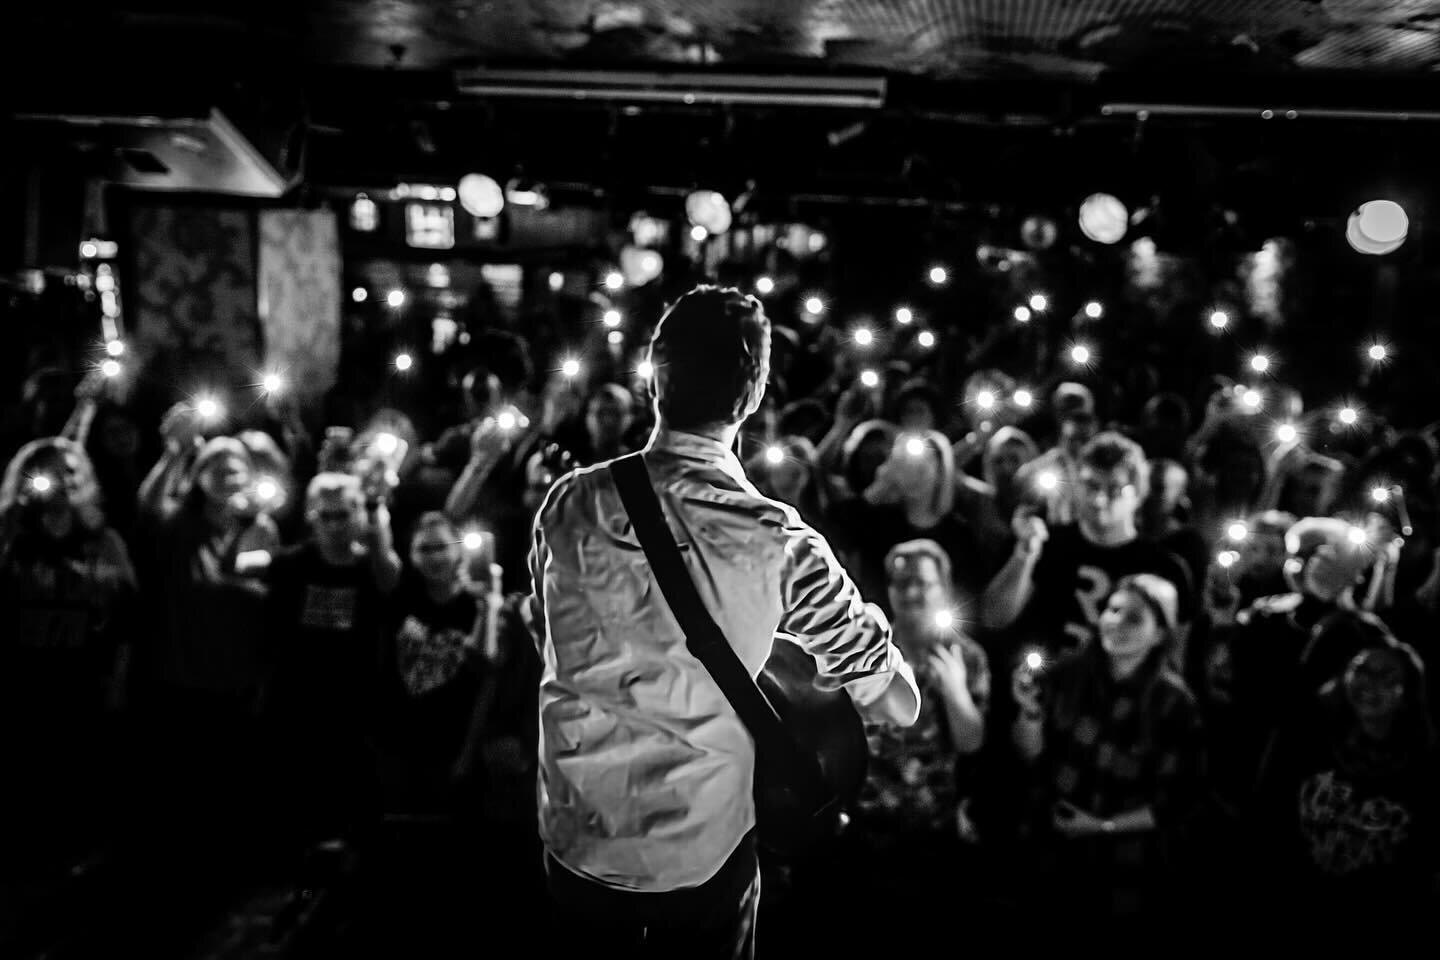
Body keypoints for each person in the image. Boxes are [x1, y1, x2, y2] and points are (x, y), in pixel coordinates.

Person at [527, 285, 920, 958]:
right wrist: (874, 628)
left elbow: (548, 637)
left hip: (579, 841)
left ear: (654, 376)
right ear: (754, 395)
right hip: (701, 858)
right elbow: (899, 705)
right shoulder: (779, 539)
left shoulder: (569, 504)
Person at [1012, 574, 1205, 929]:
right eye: (1113, 610)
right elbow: (1032, 758)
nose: (1116, 622)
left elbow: (1178, 799)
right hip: (1054, 850)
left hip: (1124, 865)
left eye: (1133, 617)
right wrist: (1030, 711)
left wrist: (1101, 826)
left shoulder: (1174, 703)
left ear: (1160, 633)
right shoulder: (1069, 673)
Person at [982, 431, 1193, 659]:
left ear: (1138, 494)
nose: (1099, 499)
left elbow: (1175, 656)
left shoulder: (1165, 567)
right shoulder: (1042, 543)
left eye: (1114, 489)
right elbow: (993, 618)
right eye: (1091, 486)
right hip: (1042, 687)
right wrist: (1024, 555)